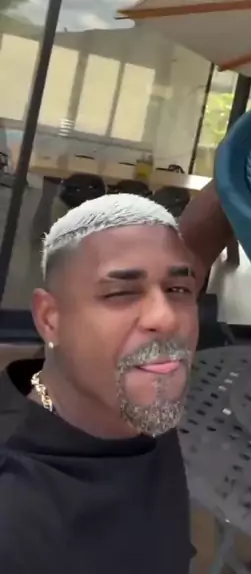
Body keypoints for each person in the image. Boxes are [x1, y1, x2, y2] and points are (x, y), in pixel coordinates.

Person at [0, 185, 234, 574]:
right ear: (50, 318)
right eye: (121, 293)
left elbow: (198, 241)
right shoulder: (16, 516)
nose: (166, 317)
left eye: (178, 289)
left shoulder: (116, 383)